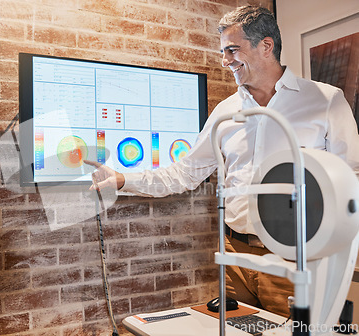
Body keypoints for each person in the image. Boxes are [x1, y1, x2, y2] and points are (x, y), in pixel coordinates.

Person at [86, 5, 359, 317]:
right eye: (223, 51)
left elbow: (351, 178)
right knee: (233, 328)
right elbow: (186, 173)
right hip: (234, 254)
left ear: (266, 46)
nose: (225, 61)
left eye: (232, 50)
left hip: (295, 256)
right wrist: (123, 180)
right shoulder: (225, 112)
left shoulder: (325, 101)